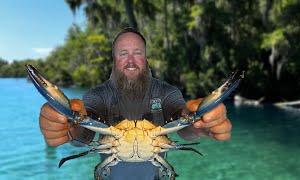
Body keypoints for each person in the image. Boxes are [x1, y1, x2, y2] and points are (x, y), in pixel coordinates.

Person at [39, 28, 232, 179]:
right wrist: (67, 127)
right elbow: (84, 133)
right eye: (123, 53)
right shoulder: (97, 95)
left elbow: (184, 125)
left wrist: (200, 125)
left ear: (146, 58)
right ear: (114, 60)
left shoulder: (166, 92)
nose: (130, 60)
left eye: (137, 53)